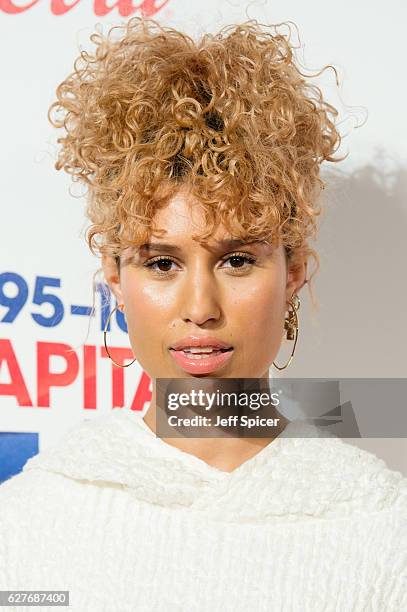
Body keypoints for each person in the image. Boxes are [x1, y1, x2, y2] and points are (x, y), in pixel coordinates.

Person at [1, 16, 406, 612]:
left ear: (293, 271)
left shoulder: (382, 527)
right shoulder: (28, 524)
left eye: (237, 260)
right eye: (162, 264)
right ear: (114, 274)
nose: (199, 308)